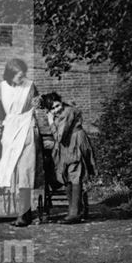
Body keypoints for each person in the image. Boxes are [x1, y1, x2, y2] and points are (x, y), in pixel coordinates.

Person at [0, 58, 42, 227]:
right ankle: (22, 212)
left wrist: (38, 102)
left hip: (27, 128)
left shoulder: (30, 85)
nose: (22, 78)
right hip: (10, 130)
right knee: (12, 171)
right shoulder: (0, 88)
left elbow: (37, 102)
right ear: (10, 75)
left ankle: (24, 215)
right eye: (19, 76)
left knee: (25, 171)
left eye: (24, 75)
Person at [43, 92, 97, 224]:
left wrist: (50, 121)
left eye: (57, 105)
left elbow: (59, 136)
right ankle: (76, 210)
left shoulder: (67, 112)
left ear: (61, 102)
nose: (57, 109)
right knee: (68, 174)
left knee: (75, 173)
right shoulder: (62, 113)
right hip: (67, 144)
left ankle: (75, 213)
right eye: (53, 108)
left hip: (74, 142)